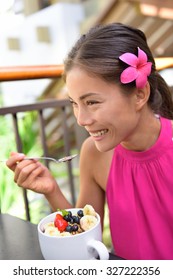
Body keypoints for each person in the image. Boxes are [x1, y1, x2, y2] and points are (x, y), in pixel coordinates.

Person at [6, 23, 173, 260]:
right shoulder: (94, 154)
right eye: (74, 103)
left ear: (139, 94)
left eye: (92, 102)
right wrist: (51, 191)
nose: (81, 119)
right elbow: (84, 245)